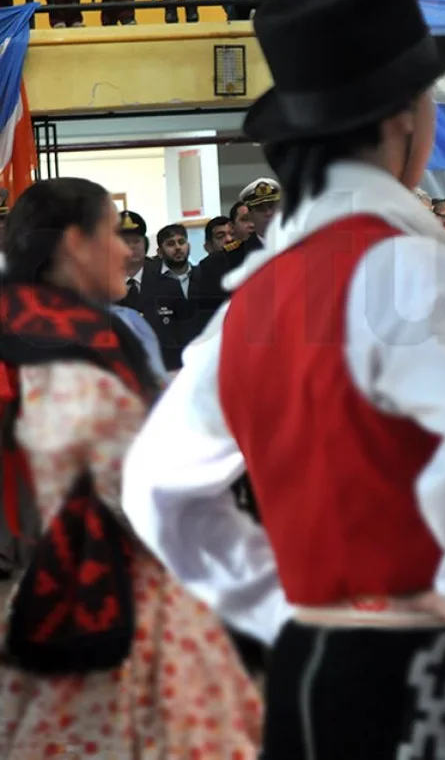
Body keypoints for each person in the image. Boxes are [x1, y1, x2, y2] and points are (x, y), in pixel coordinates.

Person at [121, 0, 445, 758]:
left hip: (305, 662)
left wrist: (275, 599)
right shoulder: (415, 269)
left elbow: (157, 488)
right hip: (420, 661)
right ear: (403, 116)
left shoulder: (251, 298)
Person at [0, 177, 260, 757]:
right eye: (112, 234)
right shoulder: (53, 338)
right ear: (72, 245)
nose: (126, 249)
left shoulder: (93, 326)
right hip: (92, 589)